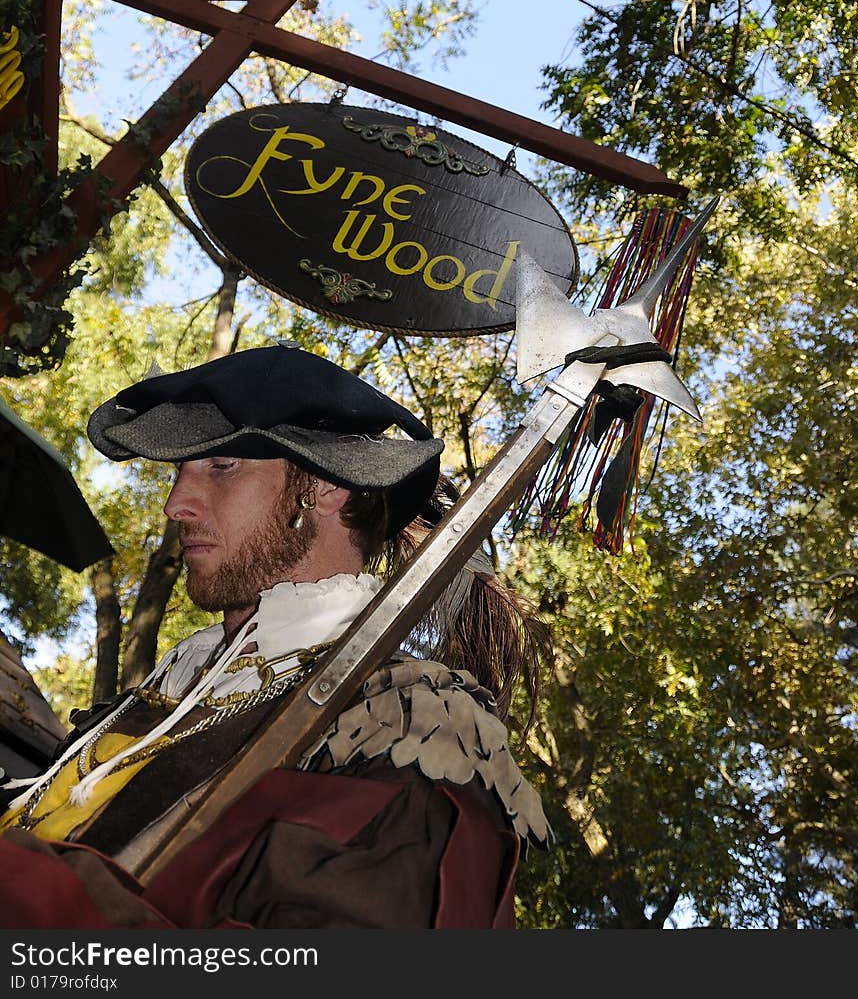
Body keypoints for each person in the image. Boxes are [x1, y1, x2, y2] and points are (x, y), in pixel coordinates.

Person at [0, 343, 549, 929]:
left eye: (221, 466)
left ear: (324, 488)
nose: (175, 505)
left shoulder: (408, 718)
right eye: (180, 473)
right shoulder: (182, 682)